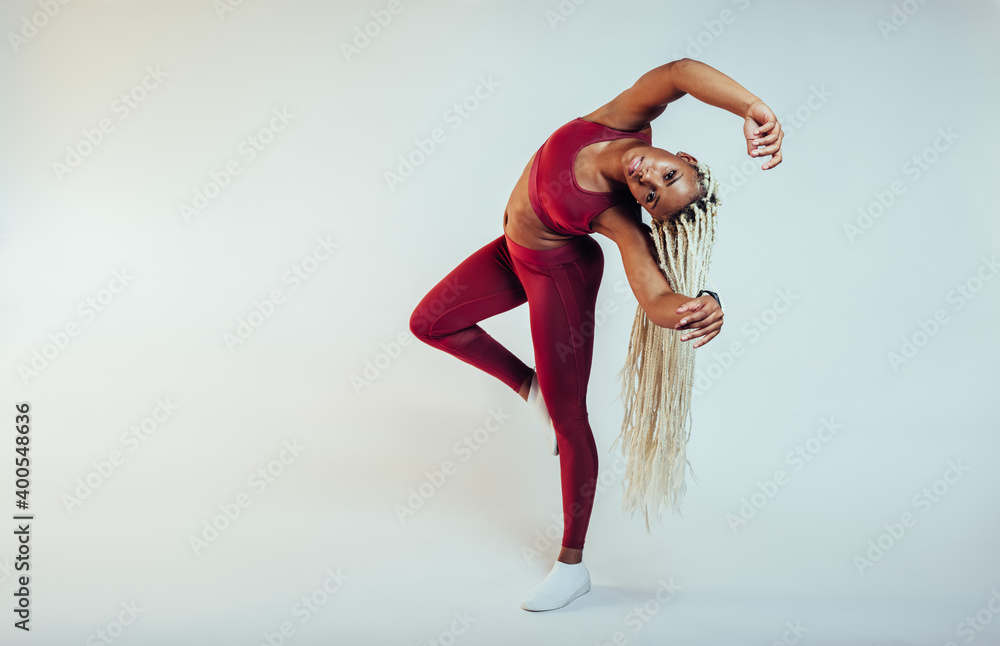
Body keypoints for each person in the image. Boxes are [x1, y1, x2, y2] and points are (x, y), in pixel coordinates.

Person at [408, 57, 784, 612]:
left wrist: (704, 304)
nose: (648, 180)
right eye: (667, 174)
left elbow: (654, 296)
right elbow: (680, 73)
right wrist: (754, 107)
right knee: (431, 323)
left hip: (558, 276)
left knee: (570, 417)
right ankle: (530, 388)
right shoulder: (622, 121)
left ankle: (572, 565)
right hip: (510, 252)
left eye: (654, 195)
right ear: (679, 156)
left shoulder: (615, 215)